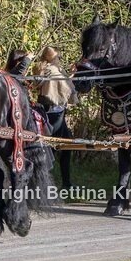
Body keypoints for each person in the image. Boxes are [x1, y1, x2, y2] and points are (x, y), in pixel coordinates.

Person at [34, 46, 76, 189]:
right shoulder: (51, 70)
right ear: (54, 57)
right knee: (51, 148)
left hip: (54, 112)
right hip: (53, 113)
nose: (60, 59)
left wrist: (69, 75)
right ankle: (47, 185)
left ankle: (66, 183)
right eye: (59, 57)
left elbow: (60, 83)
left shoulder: (47, 69)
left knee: (65, 147)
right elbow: (64, 89)